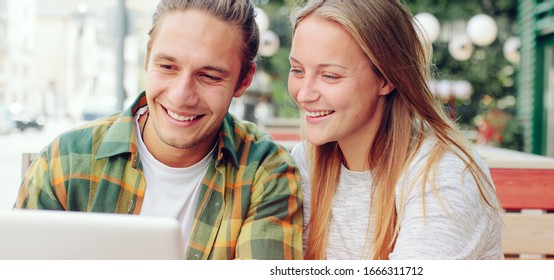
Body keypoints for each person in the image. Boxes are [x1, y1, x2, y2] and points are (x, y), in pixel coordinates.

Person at [14, 0, 302, 260]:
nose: (180, 96)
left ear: (244, 80)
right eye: (167, 66)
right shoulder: (66, 160)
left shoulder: (265, 171)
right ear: (147, 58)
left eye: (209, 76)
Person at [288, 0, 503, 260]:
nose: (304, 93)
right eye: (298, 70)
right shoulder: (305, 163)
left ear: (386, 78)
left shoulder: (446, 176)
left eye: (330, 76)